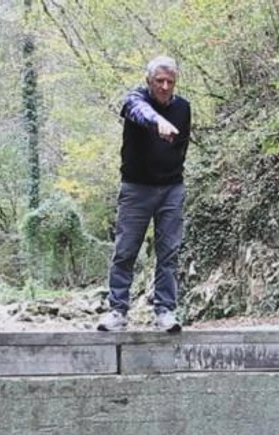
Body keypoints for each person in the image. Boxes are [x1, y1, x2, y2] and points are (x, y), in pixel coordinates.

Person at [98, 55, 191, 332]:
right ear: (149, 81)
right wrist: (156, 121)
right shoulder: (135, 101)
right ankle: (117, 310)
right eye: (159, 81)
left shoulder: (184, 108)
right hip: (136, 189)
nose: (164, 86)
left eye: (169, 82)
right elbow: (137, 110)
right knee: (126, 250)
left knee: (169, 252)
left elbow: (180, 147)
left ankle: (165, 311)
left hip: (172, 188)